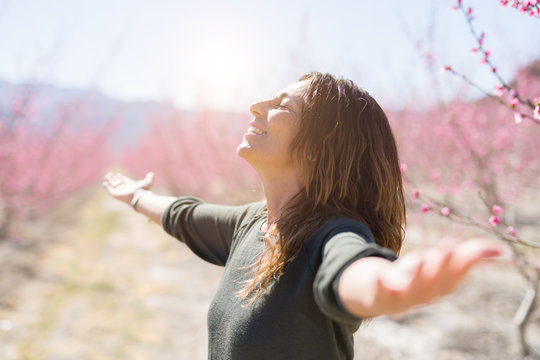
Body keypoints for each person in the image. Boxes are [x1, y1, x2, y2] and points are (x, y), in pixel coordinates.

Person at [103, 72, 501, 360]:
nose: (255, 107)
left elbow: (351, 269)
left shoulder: (331, 234)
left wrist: (387, 283)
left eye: (282, 106)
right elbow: (185, 216)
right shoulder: (253, 225)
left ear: (318, 147)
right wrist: (137, 197)